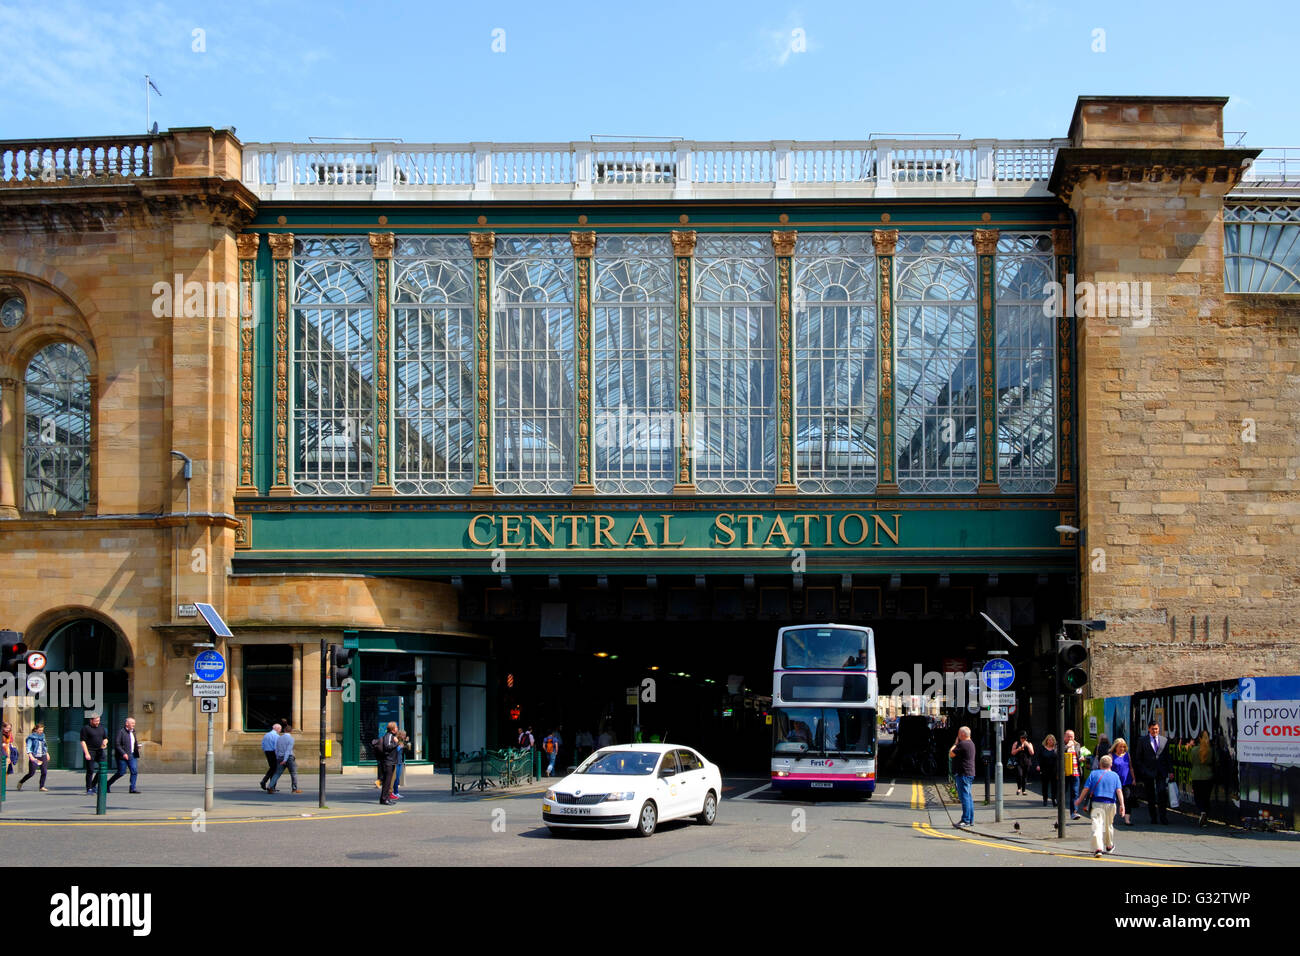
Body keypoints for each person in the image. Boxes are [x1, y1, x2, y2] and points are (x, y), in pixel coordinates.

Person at [1075, 754, 1126, 857]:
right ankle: (1109, 845)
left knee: (1097, 825)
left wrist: (1079, 800)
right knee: (1108, 825)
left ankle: (1098, 848)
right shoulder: (1115, 775)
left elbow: (1086, 789)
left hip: (1097, 803)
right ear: (1110, 764)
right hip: (1110, 803)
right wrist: (1122, 805)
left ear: (1100, 764)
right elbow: (1119, 791)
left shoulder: (1093, 774)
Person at [1132, 719, 1173, 824]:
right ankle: (1153, 817)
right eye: (1153, 729)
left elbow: (1168, 757)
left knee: (1162, 794)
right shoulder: (1143, 741)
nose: (1155, 731)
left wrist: (1170, 771)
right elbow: (1138, 758)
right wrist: (1143, 770)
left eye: (1156, 729)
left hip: (1161, 771)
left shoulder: (1164, 740)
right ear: (1149, 729)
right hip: (1148, 772)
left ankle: (1163, 817)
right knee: (1150, 796)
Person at [948, 726, 976, 829]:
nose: (958, 735)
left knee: (964, 798)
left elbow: (951, 753)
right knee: (968, 797)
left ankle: (966, 820)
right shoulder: (971, 743)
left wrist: (955, 743)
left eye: (959, 733)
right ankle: (970, 819)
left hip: (963, 774)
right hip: (968, 773)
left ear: (963, 734)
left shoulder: (963, 744)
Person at [106, 716, 141, 793]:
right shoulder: (121, 732)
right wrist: (123, 753)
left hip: (132, 755)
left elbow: (133, 742)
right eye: (132, 723)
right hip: (122, 756)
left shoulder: (133, 731)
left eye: (134, 723)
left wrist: (137, 747)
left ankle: (132, 788)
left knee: (134, 771)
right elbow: (117, 744)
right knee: (121, 772)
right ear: (126, 723)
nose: (133, 724)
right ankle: (107, 784)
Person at [266, 722, 301, 793]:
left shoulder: (279, 738)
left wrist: (278, 757)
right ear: (291, 731)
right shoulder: (291, 739)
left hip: (280, 757)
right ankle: (294, 789)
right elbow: (288, 750)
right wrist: (285, 759)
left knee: (277, 773)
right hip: (288, 758)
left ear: (284, 730)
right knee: (293, 773)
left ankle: (270, 786)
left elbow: (276, 749)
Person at [1189, 731, 1214, 827]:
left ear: (1199, 738)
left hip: (1196, 776)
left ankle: (1202, 811)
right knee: (1206, 797)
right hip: (1208, 776)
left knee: (1198, 797)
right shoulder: (1211, 750)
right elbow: (1216, 762)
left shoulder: (1194, 750)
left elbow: (1191, 761)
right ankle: (1205, 814)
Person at [80, 714, 109, 793]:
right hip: (90, 751)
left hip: (100, 750)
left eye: (98, 721)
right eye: (96, 721)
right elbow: (83, 741)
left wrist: (105, 743)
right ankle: (89, 788)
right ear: (91, 720)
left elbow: (105, 738)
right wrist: (86, 753)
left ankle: (93, 784)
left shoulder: (101, 728)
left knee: (103, 767)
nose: (97, 722)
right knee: (90, 770)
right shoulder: (86, 728)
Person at [17, 723, 50, 791]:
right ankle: (21, 782)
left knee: (44, 772)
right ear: (36, 730)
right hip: (34, 756)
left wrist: (47, 753)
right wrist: (31, 756)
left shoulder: (43, 736)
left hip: (42, 755)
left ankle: (41, 787)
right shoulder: (31, 737)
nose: (41, 731)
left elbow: (45, 746)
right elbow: (28, 747)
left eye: (42, 730)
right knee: (31, 773)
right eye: (40, 730)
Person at [1109, 738, 1134, 824]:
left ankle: (1127, 819)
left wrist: (1134, 778)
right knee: (1113, 800)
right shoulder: (1111, 756)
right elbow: (1108, 769)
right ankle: (1111, 817)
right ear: (1115, 747)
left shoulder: (1127, 755)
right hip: (1114, 782)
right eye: (1120, 747)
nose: (1122, 748)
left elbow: (1130, 767)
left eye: (1123, 747)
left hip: (1126, 780)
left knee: (1127, 799)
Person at [1063, 730, 1084, 819]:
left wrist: (1081, 758)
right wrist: (1066, 747)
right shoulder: (1060, 744)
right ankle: (1060, 809)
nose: (1070, 738)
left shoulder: (1077, 745)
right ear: (1065, 736)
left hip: (1075, 772)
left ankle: (1074, 812)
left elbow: (1079, 755)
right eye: (1068, 736)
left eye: (1072, 736)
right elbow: (1056, 753)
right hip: (1064, 773)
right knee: (1062, 792)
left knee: (1075, 793)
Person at [377, 722, 400, 805]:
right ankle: (383, 799)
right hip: (388, 762)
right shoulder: (389, 736)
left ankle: (387, 798)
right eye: (396, 727)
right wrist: (396, 743)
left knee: (389, 781)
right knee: (387, 782)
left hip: (391, 761)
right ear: (393, 729)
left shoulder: (391, 736)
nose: (397, 729)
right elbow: (387, 747)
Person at [259, 723, 281, 791]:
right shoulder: (276, 736)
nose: (280, 730)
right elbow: (276, 747)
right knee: (274, 769)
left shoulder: (266, 735)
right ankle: (266, 782)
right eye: (280, 729)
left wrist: (265, 750)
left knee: (272, 768)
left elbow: (262, 744)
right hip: (273, 753)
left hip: (267, 752)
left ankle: (271, 786)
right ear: (277, 729)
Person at [1038, 735, 1059, 807]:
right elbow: (1039, 757)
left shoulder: (1056, 748)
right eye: (1049, 740)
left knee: (1054, 786)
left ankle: (1054, 799)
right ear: (1046, 741)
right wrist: (1038, 765)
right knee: (1045, 785)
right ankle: (1045, 799)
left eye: (1052, 740)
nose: (1050, 741)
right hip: (1044, 769)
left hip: (1054, 769)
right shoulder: (1042, 748)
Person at [391, 730, 408, 800]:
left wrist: (406, 743)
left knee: (398, 779)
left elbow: (406, 750)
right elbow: (394, 750)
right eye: (403, 735)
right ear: (400, 735)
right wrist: (399, 747)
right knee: (395, 778)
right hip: (396, 762)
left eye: (405, 735)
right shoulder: (396, 741)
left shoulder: (402, 742)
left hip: (400, 761)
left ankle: (396, 792)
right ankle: (392, 792)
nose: (404, 736)